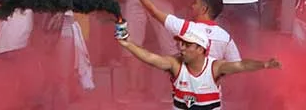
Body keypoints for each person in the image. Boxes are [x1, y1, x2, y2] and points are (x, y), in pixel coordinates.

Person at [116, 27, 279, 109]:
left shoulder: (215, 67)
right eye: (181, 44)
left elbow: (241, 64)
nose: (182, 48)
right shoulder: (176, 64)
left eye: (187, 45)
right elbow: (151, 58)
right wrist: (127, 44)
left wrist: (264, 64)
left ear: (201, 49)